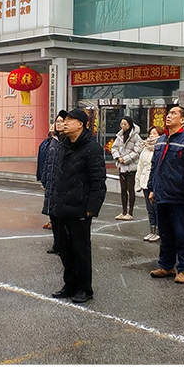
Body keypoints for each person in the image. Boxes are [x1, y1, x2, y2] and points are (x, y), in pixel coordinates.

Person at [50, 108, 107, 304]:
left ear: (80, 124)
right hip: (61, 207)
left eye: (69, 120)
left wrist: (92, 208)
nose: (64, 123)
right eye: (64, 120)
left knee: (81, 250)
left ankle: (84, 288)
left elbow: (98, 180)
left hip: (80, 208)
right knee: (64, 249)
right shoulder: (64, 145)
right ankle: (70, 284)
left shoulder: (92, 148)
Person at [148, 105, 184, 284]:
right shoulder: (161, 140)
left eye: (173, 113)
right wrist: (152, 188)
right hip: (162, 194)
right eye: (168, 113)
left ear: (183, 120)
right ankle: (166, 265)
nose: (169, 116)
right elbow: (155, 166)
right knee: (165, 233)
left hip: (179, 196)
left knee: (182, 233)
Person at [38, 115, 65, 237]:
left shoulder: (67, 141)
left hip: (61, 182)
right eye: (57, 121)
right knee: (52, 209)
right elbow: (47, 161)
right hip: (51, 180)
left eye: (61, 121)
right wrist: (44, 179)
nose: (58, 124)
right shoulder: (53, 141)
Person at [112, 116, 142, 220]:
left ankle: (130, 212)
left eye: (125, 124)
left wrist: (125, 159)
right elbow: (114, 148)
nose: (123, 126)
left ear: (130, 124)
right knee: (123, 189)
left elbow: (137, 151)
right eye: (121, 124)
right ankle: (123, 211)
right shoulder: (119, 136)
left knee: (130, 189)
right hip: (122, 167)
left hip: (131, 167)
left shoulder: (135, 136)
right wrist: (118, 157)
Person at [136, 126, 161, 240]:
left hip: (155, 183)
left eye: (155, 133)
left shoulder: (160, 147)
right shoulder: (145, 148)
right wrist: (138, 182)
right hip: (145, 181)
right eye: (150, 133)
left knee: (157, 209)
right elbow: (140, 165)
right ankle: (152, 231)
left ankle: (159, 232)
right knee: (149, 209)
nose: (151, 135)